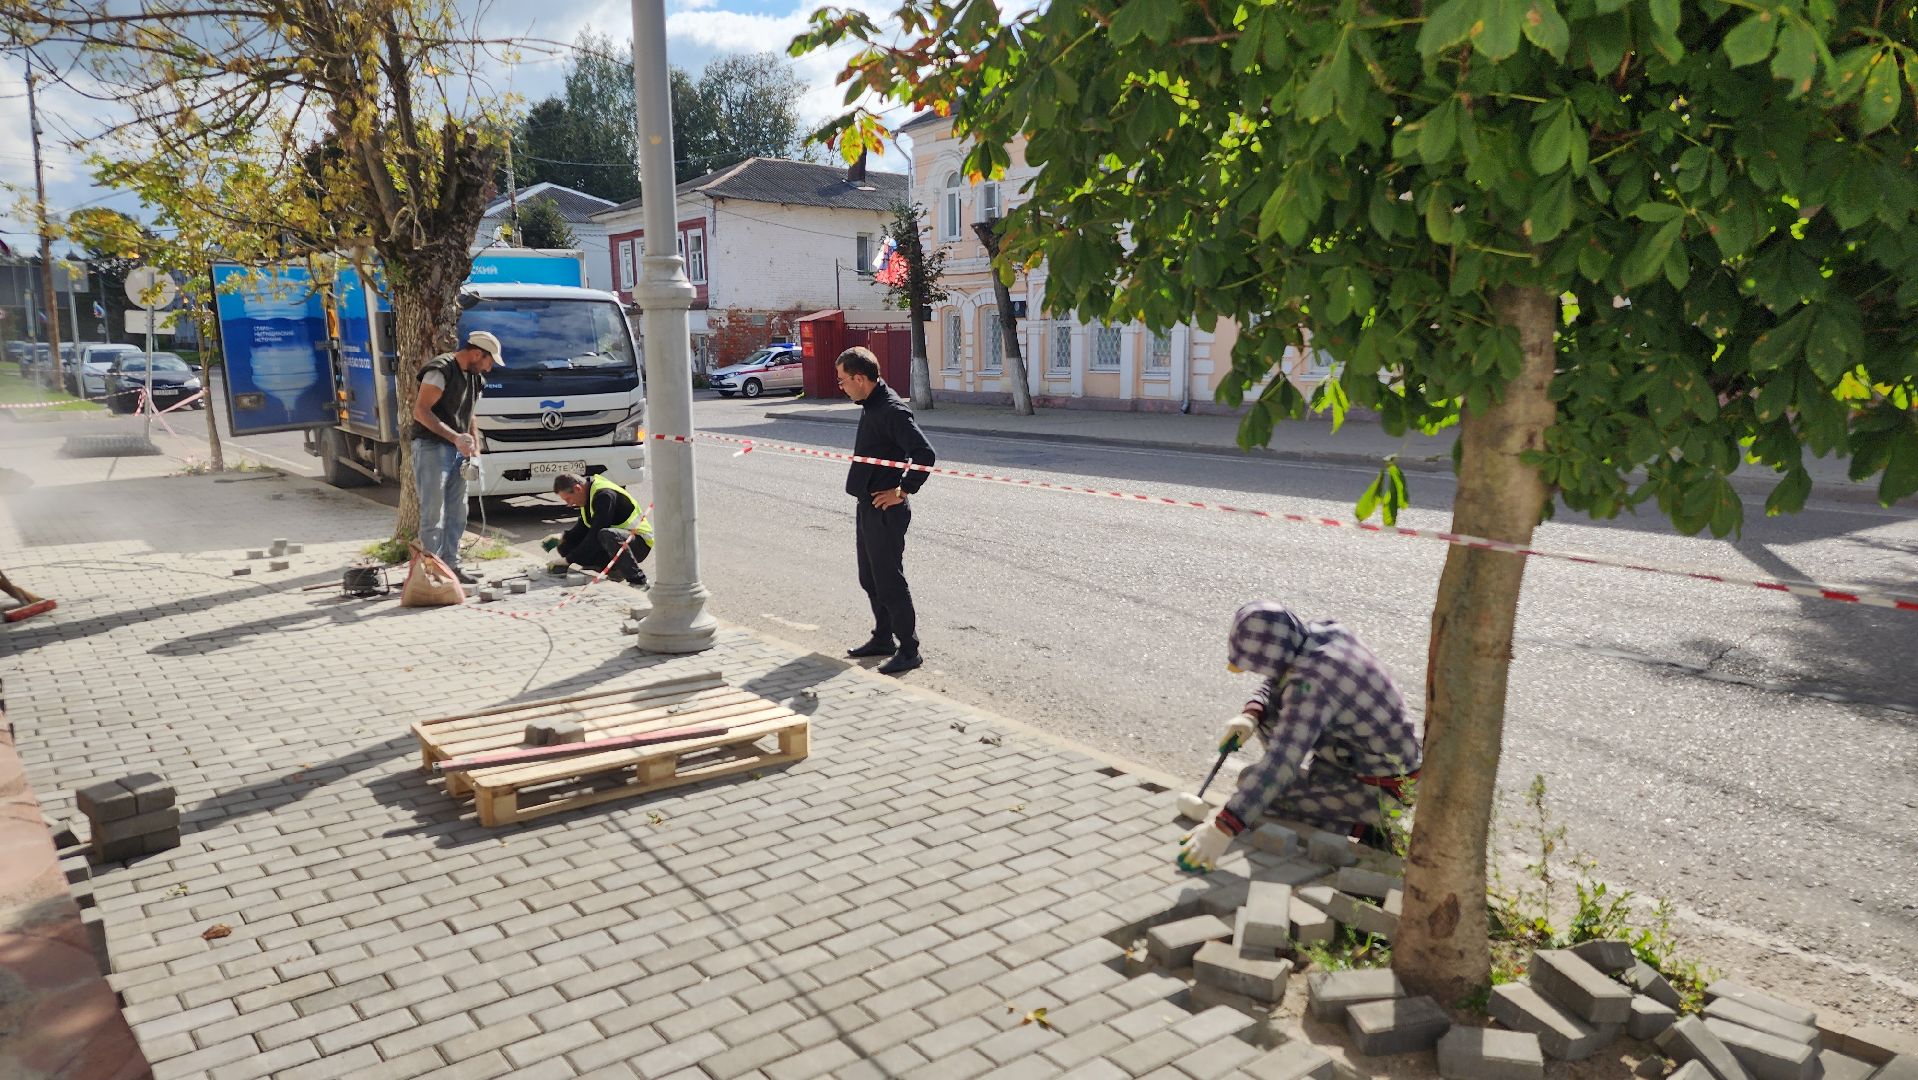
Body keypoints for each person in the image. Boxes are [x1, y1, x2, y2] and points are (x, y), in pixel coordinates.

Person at [1177, 600, 1422, 874]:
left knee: (1260, 791)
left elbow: (1281, 762)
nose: (1258, 672)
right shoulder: (1322, 633)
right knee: (1268, 729)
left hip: (1381, 787)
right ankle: (1344, 809)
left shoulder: (1310, 687)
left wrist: (1223, 827)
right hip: (1372, 762)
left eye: (1257, 665)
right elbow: (1278, 677)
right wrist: (1251, 714)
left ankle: (1371, 826)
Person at [836, 347, 936, 676]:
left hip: (885, 508)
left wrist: (903, 490)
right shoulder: (871, 402)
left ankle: (910, 649)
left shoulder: (891, 410)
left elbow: (924, 453)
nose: (841, 386)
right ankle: (883, 638)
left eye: (843, 381)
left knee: (889, 581)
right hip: (867, 504)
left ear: (860, 379)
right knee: (869, 578)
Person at [408, 329, 502, 585]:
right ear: (475, 353)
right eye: (489, 361)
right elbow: (420, 411)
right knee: (433, 512)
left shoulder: (475, 378)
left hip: (459, 450)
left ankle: (451, 565)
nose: (489, 368)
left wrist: (476, 452)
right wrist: (455, 438)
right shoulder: (440, 370)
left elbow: (471, 414)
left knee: (457, 511)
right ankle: (430, 569)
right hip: (431, 448)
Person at [547, 473, 652, 586]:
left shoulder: (604, 496)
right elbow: (583, 527)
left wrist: (568, 560)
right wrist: (562, 537)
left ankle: (639, 581)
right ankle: (614, 570)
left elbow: (595, 534)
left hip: (638, 542)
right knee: (566, 544)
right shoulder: (588, 495)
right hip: (616, 541)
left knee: (606, 534)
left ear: (577, 489)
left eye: (568, 499)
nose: (569, 504)